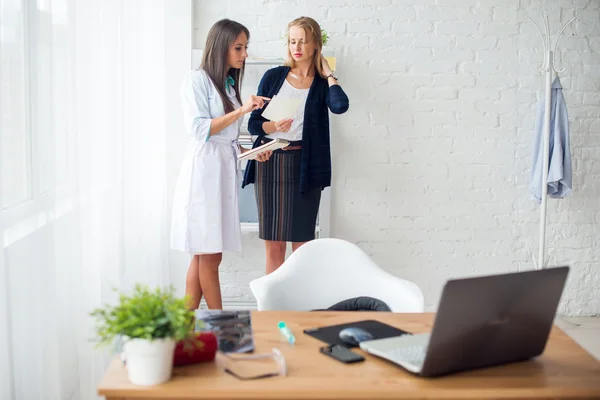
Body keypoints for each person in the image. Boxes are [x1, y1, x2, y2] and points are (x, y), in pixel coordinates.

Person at [170, 19, 272, 310]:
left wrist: (251, 151)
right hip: (204, 175)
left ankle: (183, 331)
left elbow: (226, 136)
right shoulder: (196, 79)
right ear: (221, 47)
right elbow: (200, 130)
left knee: (202, 257)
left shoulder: (226, 83)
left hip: (221, 168)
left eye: (245, 47)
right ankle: (221, 326)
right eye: (239, 48)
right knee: (210, 256)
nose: (245, 55)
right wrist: (243, 109)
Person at [242, 16, 349, 274]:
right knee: (274, 246)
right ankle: (274, 310)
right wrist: (274, 126)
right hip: (271, 163)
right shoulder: (274, 76)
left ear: (315, 45)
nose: (296, 47)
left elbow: (340, 106)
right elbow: (254, 124)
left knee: (302, 247)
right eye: (292, 41)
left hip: (305, 167)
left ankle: (299, 309)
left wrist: (329, 73)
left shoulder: (323, 84)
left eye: (302, 41)